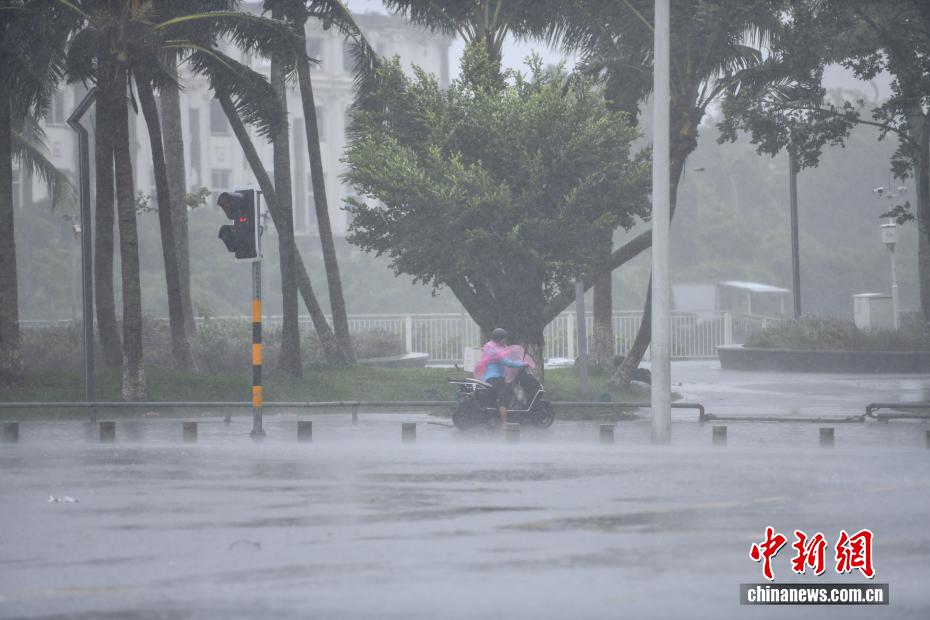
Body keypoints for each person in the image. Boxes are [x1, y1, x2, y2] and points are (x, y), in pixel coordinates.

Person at [474, 328, 529, 428]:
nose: (505, 340)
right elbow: (507, 362)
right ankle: (504, 424)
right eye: (504, 338)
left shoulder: (490, 346)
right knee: (504, 399)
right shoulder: (495, 351)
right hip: (497, 379)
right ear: (499, 338)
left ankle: (493, 420)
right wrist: (522, 364)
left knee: (493, 399)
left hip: (489, 378)